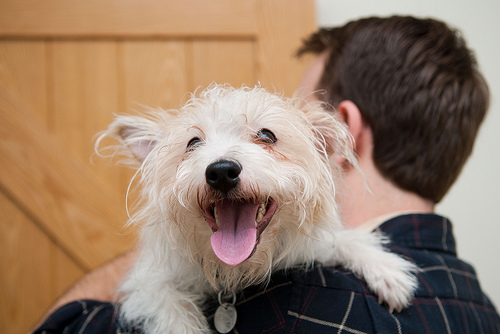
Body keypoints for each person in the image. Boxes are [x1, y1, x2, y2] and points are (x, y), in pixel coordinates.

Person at [34, 16, 499, 333]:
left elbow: (58, 326)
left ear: (337, 134)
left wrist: (162, 240)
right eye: (193, 144)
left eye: (269, 135)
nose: (222, 158)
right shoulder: (479, 305)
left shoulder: (283, 306)